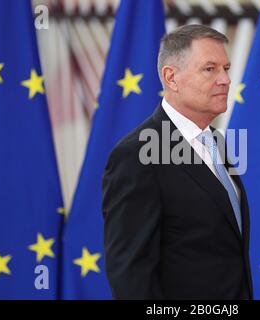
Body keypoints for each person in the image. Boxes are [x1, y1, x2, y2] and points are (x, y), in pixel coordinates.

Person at [102, 24, 252, 299]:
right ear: (171, 78)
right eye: (210, 69)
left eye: (226, 68)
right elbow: (130, 275)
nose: (225, 80)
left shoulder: (217, 144)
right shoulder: (136, 155)